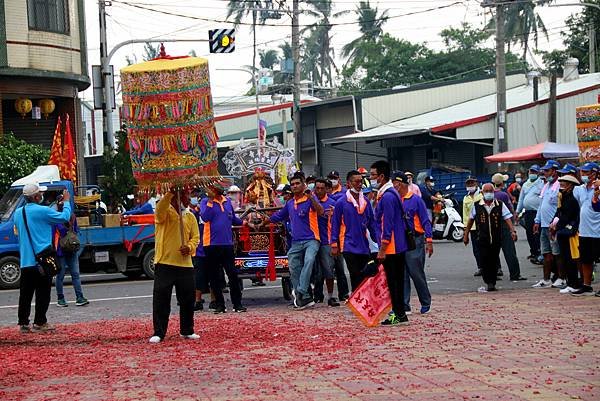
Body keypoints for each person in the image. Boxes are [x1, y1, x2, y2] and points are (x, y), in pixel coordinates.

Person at [14, 184, 72, 333]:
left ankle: (23, 323)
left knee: (25, 294)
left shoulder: (18, 213)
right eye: (40, 193)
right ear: (35, 197)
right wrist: (66, 202)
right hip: (42, 259)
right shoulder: (43, 211)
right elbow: (65, 218)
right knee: (43, 291)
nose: (42, 195)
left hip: (26, 260)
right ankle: (40, 322)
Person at [266, 172, 324, 309]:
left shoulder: (310, 199)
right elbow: (279, 216)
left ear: (304, 185)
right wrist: (264, 221)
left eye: (298, 183)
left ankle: (301, 291)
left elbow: (321, 211)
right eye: (292, 184)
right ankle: (303, 297)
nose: (295, 186)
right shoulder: (290, 203)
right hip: (296, 242)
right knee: (293, 266)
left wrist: (312, 198)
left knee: (309, 261)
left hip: (312, 239)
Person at [149, 189, 200, 343]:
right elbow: (160, 210)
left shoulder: (190, 216)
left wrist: (190, 247)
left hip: (185, 264)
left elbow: (195, 238)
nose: (188, 199)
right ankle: (159, 332)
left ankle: (187, 329)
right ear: (177, 198)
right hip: (165, 262)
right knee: (161, 299)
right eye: (185, 195)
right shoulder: (164, 212)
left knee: (187, 299)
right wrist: (170, 193)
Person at [370, 160, 410, 326]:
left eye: (373, 175)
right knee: (397, 281)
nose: (371, 178)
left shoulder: (387, 197)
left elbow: (387, 224)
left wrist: (383, 248)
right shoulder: (391, 194)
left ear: (381, 176)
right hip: (397, 244)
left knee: (394, 282)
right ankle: (400, 313)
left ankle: (399, 314)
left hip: (391, 246)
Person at [200, 183, 246, 313]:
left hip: (227, 243)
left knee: (233, 274)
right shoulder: (205, 202)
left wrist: (244, 223)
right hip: (211, 244)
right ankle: (220, 305)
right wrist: (210, 200)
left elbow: (232, 219)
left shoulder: (227, 202)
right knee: (214, 276)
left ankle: (237, 304)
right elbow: (205, 217)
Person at [392, 171, 433, 315]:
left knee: (416, 272)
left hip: (414, 239)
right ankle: (404, 304)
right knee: (401, 273)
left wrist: (429, 239)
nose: (393, 186)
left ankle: (425, 301)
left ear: (401, 184)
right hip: (399, 240)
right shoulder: (394, 200)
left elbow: (425, 220)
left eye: (395, 183)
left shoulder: (415, 200)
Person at [330, 170, 379, 292]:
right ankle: (357, 302)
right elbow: (335, 224)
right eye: (356, 181)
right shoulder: (341, 202)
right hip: (348, 244)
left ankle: (363, 300)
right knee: (354, 273)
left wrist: (378, 241)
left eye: (360, 181)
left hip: (363, 244)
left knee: (365, 273)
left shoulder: (366, 202)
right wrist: (334, 244)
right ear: (349, 183)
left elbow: (371, 223)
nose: (359, 184)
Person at [464, 183, 518, 293]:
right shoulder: (477, 205)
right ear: (482, 193)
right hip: (482, 238)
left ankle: (492, 283)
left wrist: (513, 231)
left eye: (490, 191)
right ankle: (488, 280)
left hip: (496, 238)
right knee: (484, 260)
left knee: (493, 260)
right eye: (486, 191)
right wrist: (466, 235)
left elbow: (507, 218)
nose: (488, 193)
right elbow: (470, 220)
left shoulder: (500, 205)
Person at [571, 162, 600, 296]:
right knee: (586, 259)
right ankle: (586, 285)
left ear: (594, 174)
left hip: (598, 230)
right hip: (584, 229)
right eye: (582, 172)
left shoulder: (598, 188)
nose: (583, 175)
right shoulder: (580, 189)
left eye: (586, 172)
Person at [532, 160, 562, 288]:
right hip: (544, 225)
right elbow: (541, 205)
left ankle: (561, 278)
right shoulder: (546, 186)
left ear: (554, 171)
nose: (544, 173)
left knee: (557, 253)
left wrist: (554, 223)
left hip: (553, 226)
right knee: (546, 253)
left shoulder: (559, 186)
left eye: (547, 170)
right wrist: (537, 220)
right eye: (544, 171)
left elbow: (560, 208)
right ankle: (546, 279)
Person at [550, 175, 581, 293]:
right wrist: (553, 224)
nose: (561, 184)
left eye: (564, 182)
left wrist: (556, 227)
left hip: (569, 231)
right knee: (565, 257)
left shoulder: (571, 199)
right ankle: (570, 282)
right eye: (561, 182)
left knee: (570, 258)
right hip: (562, 231)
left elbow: (566, 217)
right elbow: (558, 212)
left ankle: (573, 283)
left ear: (570, 185)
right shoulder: (563, 197)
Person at [491, 173, 525, 281]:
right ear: (502, 183)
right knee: (509, 251)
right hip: (504, 225)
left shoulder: (488, 195)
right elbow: (508, 211)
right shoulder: (503, 195)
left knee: (493, 251)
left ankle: (495, 272)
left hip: (492, 226)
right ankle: (515, 274)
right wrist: (513, 229)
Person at [312, 178, 340, 307]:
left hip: (326, 241)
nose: (319, 191)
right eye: (317, 188)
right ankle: (313, 295)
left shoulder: (332, 203)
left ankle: (330, 296)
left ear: (327, 189)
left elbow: (337, 224)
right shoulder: (309, 201)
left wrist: (335, 242)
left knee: (328, 269)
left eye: (322, 188)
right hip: (311, 240)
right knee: (313, 270)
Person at [55, 214, 89, 307]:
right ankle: (71, 298)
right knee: (70, 275)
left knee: (67, 275)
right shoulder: (68, 216)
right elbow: (73, 230)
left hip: (62, 250)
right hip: (67, 249)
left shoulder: (57, 217)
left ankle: (70, 298)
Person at [516, 165, 544, 265]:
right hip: (527, 212)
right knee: (529, 233)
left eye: (534, 172)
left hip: (537, 212)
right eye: (531, 171)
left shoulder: (541, 184)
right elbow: (521, 198)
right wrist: (517, 211)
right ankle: (533, 252)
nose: (532, 173)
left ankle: (539, 253)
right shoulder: (525, 184)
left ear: (538, 173)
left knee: (537, 233)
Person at [462, 176, 484, 276]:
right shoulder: (466, 198)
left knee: (487, 246)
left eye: (472, 184)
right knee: (476, 248)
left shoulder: (482, 194)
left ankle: (496, 267)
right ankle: (480, 267)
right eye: (468, 184)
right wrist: (465, 229)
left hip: (483, 225)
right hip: (473, 227)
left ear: (476, 184)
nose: (470, 186)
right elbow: (465, 215)